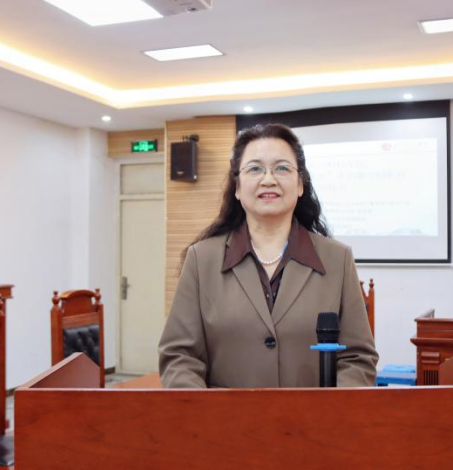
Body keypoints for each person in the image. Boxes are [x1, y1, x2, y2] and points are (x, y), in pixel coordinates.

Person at [159, 123, 378, 388]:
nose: (268, 179)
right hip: (223, 416)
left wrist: (328, 411)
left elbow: (358, 358)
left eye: (282, 168)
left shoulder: (337, 259)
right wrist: (207, 410)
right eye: (255, 169)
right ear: (237, 187)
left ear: (300, 184)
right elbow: (179, 357)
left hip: (314, 416)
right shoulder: (201, 259)